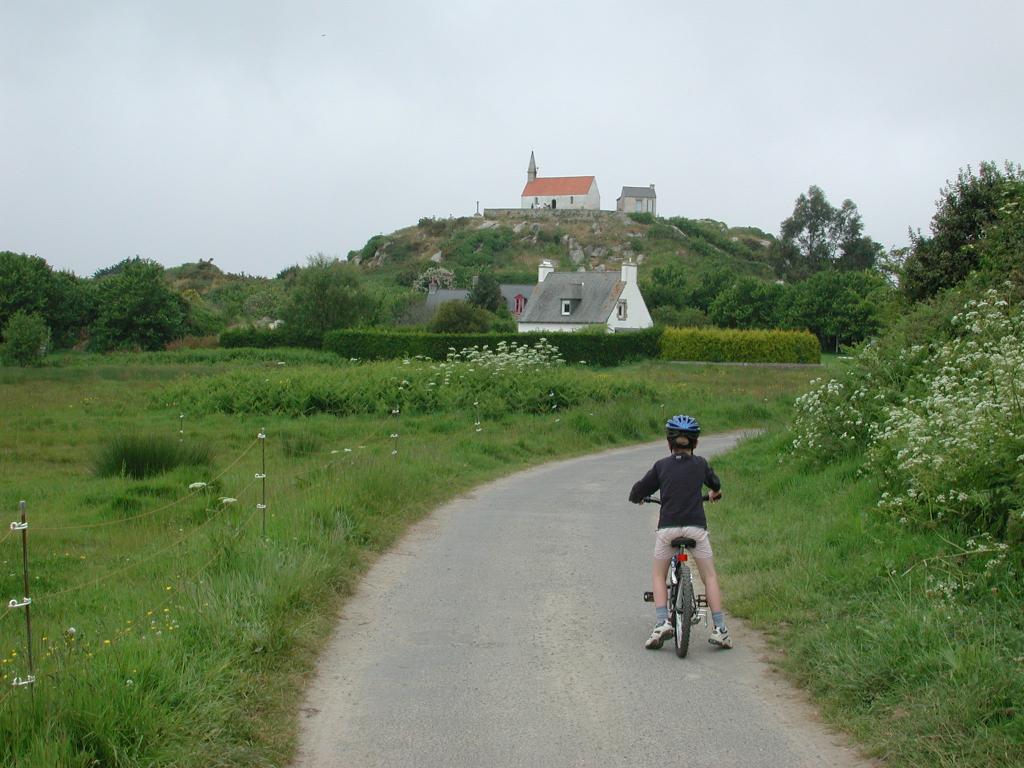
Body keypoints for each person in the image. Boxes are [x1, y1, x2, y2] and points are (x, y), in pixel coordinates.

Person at [628, 414, 732, 650]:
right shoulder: (701, 464)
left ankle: (662, 623)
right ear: (695, 443)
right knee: (710, 577)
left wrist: (638, 499)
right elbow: (715, 485)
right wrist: (714, 493)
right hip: (696, 528)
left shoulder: (661, 466)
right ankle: (720, 629)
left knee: (658, 576)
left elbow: (638, 491)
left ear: (669, 442)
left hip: (668, 529)